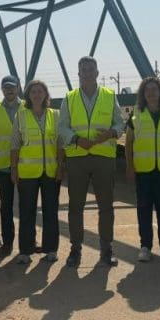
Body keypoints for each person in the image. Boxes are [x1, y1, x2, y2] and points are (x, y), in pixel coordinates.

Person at [58, 56, 124, 267]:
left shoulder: (109, 95)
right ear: (78, 74)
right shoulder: (69, 98)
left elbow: (120, 123)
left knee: (106, 206)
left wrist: (110, 134)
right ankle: (75, 249)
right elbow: (62, 127)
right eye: (83, 70)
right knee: (75, 207)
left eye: (91, 69)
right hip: (77, 157)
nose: (87, 73)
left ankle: (106, 249)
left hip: (103, 157)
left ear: (97, 72)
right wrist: (77, 139)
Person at [125, 77, 160, 263]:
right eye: (147, 90)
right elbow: (128, 143)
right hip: (144, 171)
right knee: (144, 209)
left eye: (154, 90)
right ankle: (145, 246)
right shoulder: (136, 114)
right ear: (143, 94)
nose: (151, 93)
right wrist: (129, 166)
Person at [11, 79, 64, 264]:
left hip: (50, 171)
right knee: (27, 211)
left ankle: (51, 249)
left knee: (51, 211)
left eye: (40, 91)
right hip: (27, 172)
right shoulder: (21, 115)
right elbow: (15, 145)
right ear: (28, 95)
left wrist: (60, 167)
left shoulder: (55, 115)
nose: (37, 94)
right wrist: (14, 169)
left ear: (46, 94)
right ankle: (25, 250)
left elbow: (60, 144)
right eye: (33, 91)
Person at [0, 75, 23, 258]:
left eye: (12, 87)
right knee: (6, 206)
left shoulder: (27, 107)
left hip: (25, 165)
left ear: (18, 88)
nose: (9, 90)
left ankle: (27, 240)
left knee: (27, 205)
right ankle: (7, 243)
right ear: (2, 89)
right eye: (6, 87)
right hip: (2, 165)